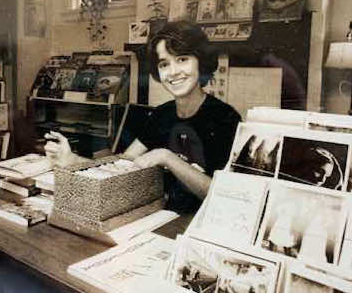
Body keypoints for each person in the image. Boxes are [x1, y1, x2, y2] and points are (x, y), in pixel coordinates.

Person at [45, 21, 241, 213]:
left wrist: (167, 157)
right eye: (164, 64)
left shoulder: (226, 118)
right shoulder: (161, 114)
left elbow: (224, 196)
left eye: (182, 59)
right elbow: (125, 163)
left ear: (201, 62)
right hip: (157, 217)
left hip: (199, 228)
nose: (173, 72)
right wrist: (74, 160)